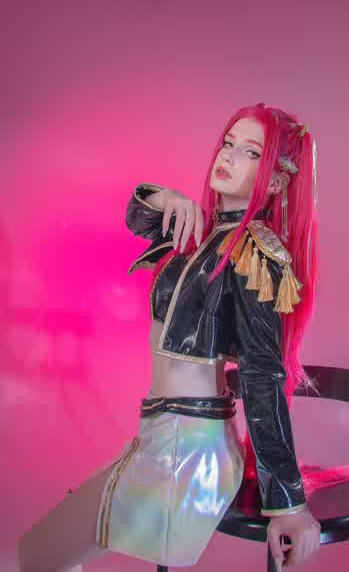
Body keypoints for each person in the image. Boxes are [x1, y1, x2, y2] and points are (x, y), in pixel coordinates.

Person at [18, 103, 322, 571]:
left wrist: (289, 501)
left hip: (189, 450)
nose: (228, 156)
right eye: (228, 143)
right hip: (164, 435)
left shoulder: (256, 253)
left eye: (250, 152)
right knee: (46, 553)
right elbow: (137, 219)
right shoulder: (202, 232)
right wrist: (166, 198)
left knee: (40, 552)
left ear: (277, 182)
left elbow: (262, 376)